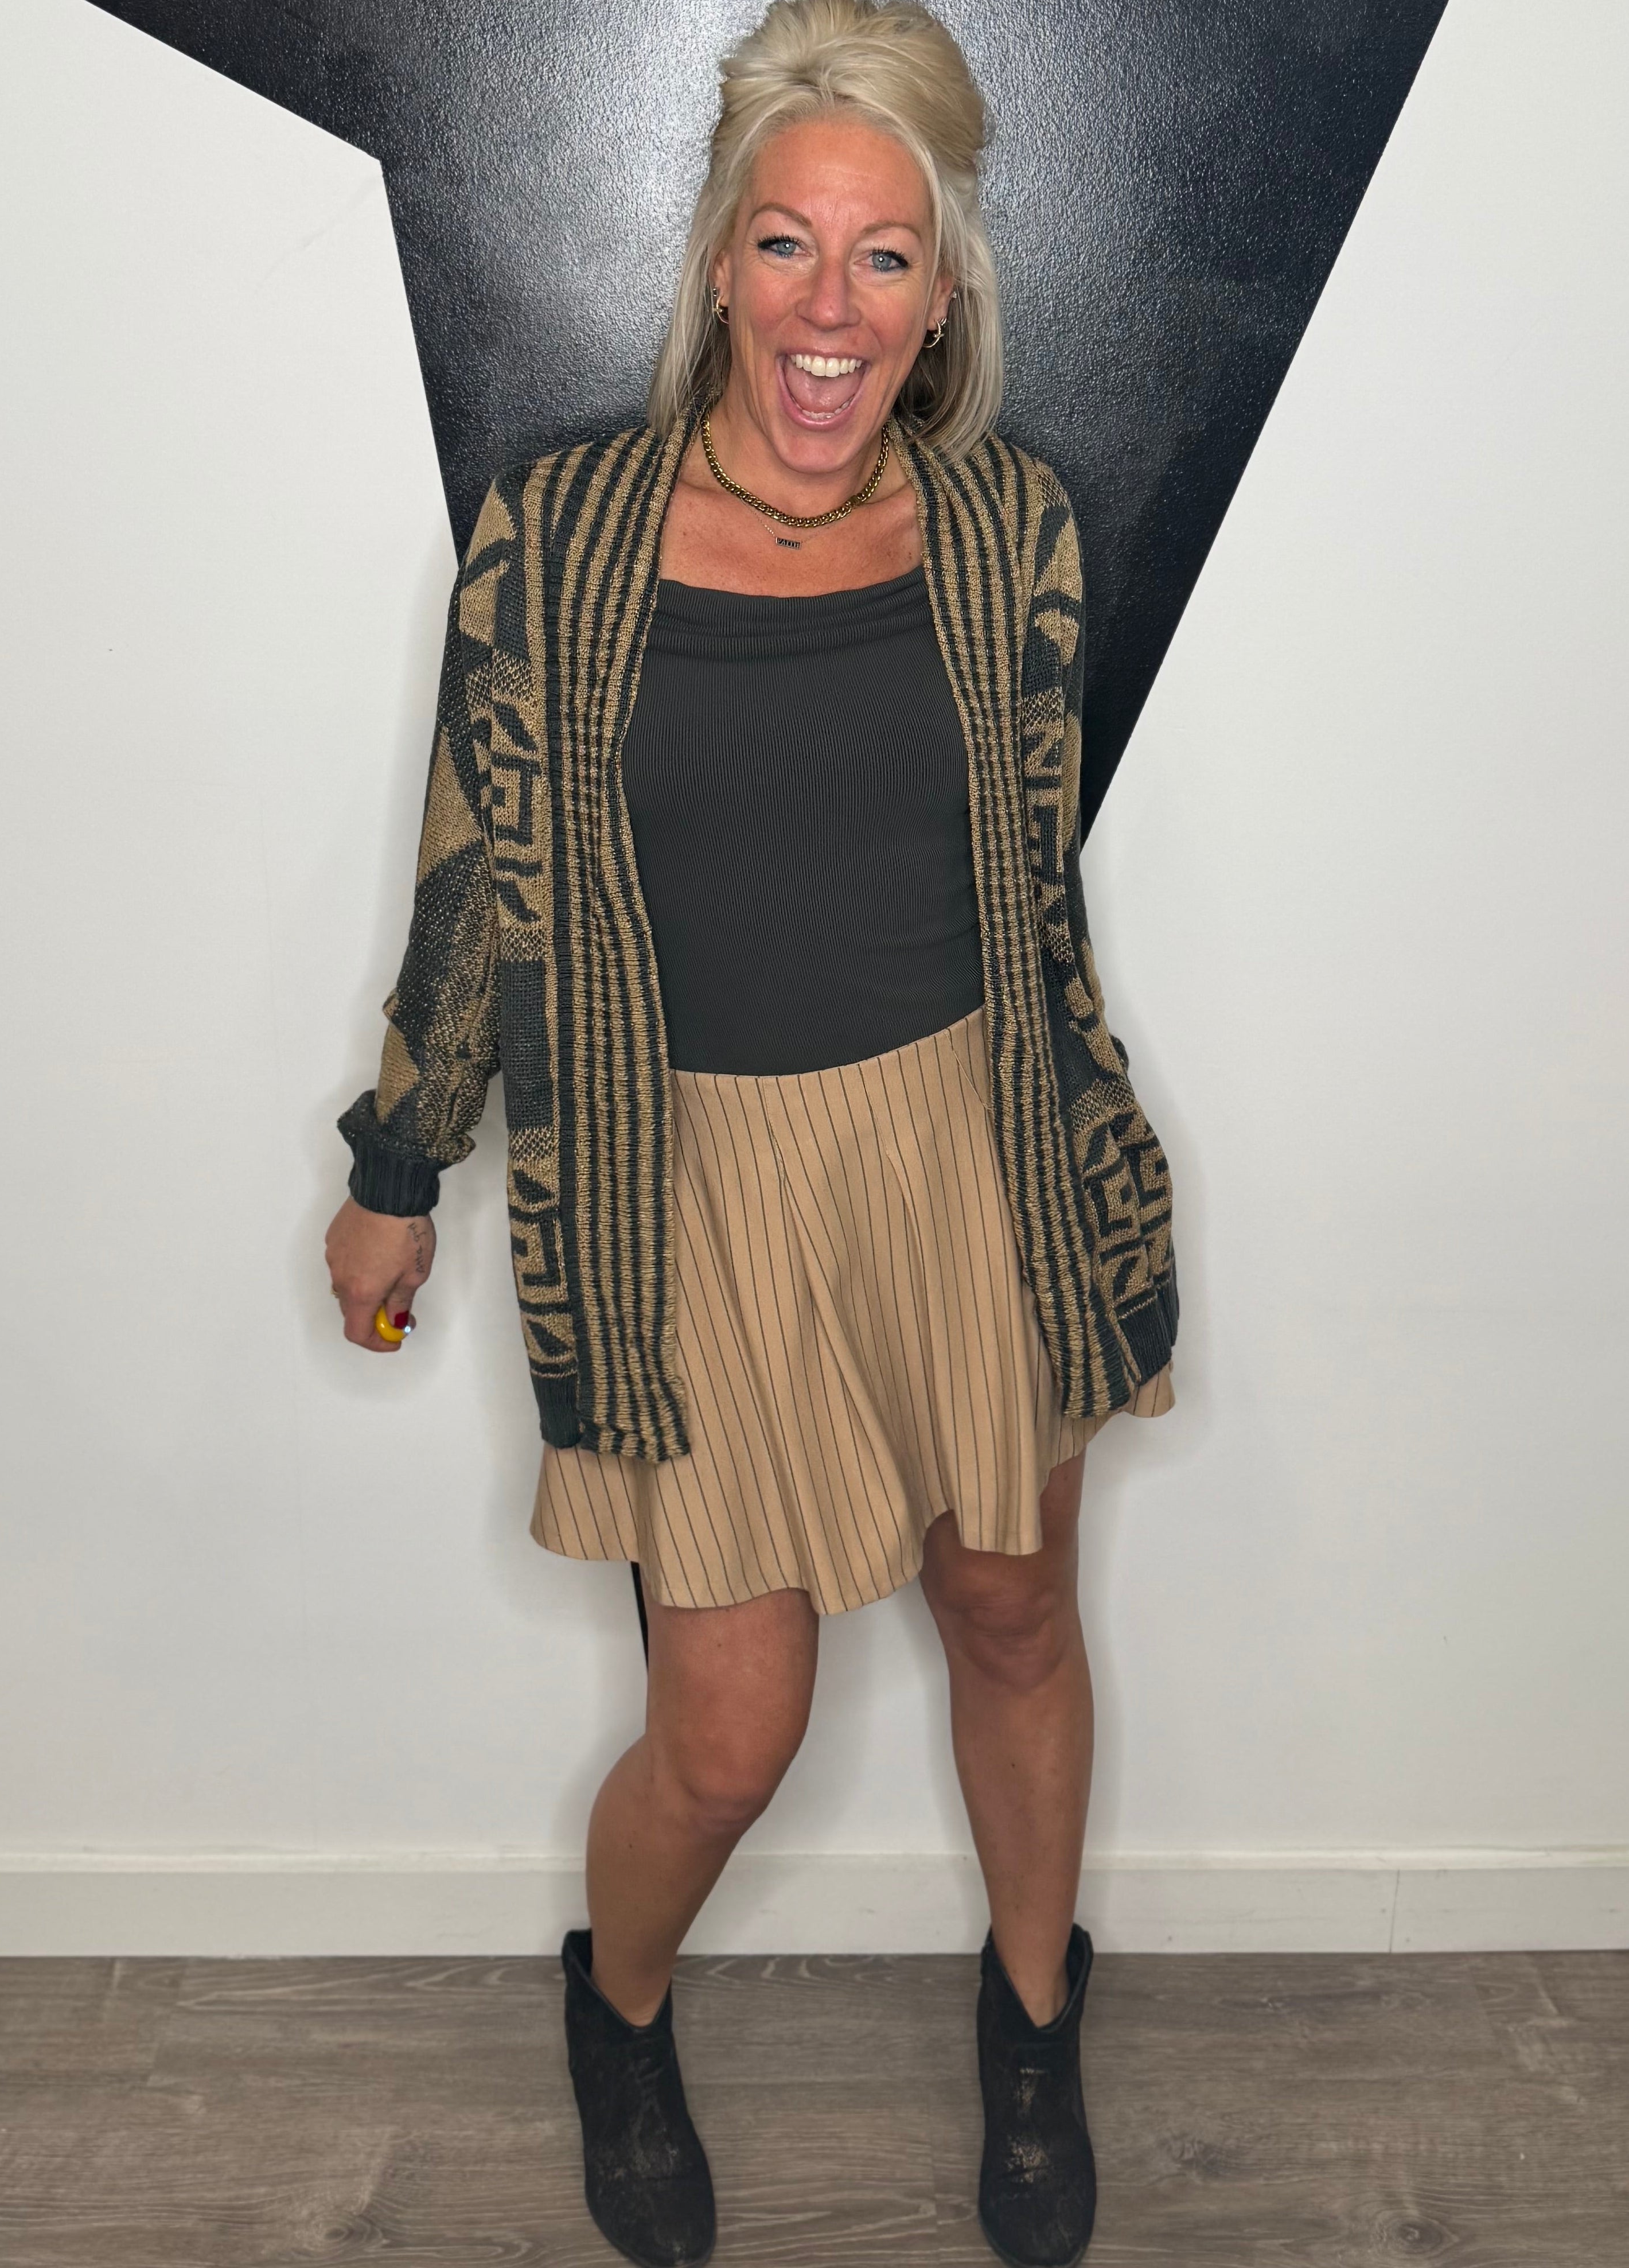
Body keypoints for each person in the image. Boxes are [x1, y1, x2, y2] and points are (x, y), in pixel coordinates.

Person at [325, 2, 1178, 2260]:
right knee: (728, 1728)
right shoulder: (567, 538)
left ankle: (1026, 2014)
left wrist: (1087, 1188)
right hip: (681, 1182)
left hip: (966, 1153)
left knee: (1012, 1604)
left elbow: (1028, 884)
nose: (830, 311)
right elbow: (477, 878)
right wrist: (397, 1162)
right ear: (718, 260)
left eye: (882, 259)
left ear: (943, 291)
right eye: (787, 246)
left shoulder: (1015, 535)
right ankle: (616, 2006)